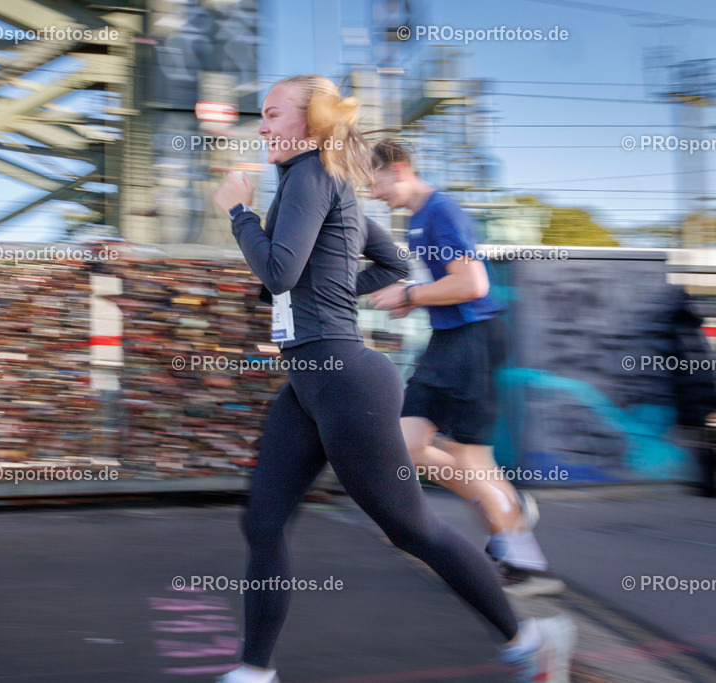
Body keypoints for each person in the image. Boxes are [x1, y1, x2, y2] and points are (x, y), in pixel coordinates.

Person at [211, 75, 575, 683]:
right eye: (262, 115)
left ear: (309, 122)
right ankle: (255, 671)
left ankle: (530, 640)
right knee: (263, 521)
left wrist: (237, 211)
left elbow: (277, 272)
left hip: (347, 381)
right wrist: (320, 301)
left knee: (412, 529)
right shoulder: (318, 184)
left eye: (273, 113)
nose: (263, 124)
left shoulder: (309, 177)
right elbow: (393, 263)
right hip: (311, 380)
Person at [367, 139, 564, 597]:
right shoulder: (418, 220)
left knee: (469, 458)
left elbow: (472, 283)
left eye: (374, 182)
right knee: (408, 446)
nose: (374, 193)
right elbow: (448, 287)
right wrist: (413, 301)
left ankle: (521, 557)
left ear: (397, 170)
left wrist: (409, 296)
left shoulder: (441, 211)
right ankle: (504, 504)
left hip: (473, 341)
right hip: (448, 341)